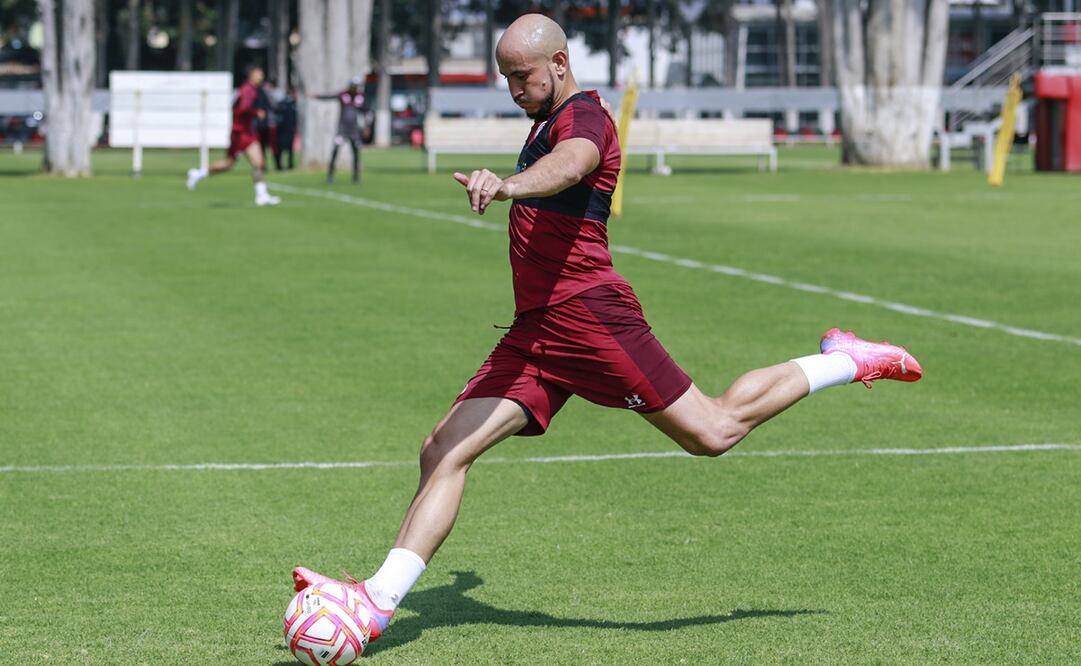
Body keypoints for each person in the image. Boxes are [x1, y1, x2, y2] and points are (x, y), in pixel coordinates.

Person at [292, 13, 923, 647]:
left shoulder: (585, 117)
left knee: (713, 430)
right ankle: (376, 601)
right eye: (506, 77)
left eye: (523, 75)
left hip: (589, 316)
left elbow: (572, 164)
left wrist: (509, 184)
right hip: (537, 329)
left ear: (560, 64)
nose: (514, 89)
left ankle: (846, 359)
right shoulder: (545, 118)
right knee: (442, 450)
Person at [186, 65, 281, 207]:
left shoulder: (249, 89)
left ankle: (261, 195)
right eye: (258, 74)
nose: (261, 76)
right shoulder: (247, 90)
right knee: (241, 164)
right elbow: (243, 108)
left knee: (248, 164)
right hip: (241, 133)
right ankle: (198, 174)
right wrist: (256, 113)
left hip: (246, 132)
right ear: (251, 75)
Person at [314, 77, 366, 184]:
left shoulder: (360, 97)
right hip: (342, 129)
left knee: (356, 152)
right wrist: (317, 96)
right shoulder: (343, 95)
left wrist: (366, 126)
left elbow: (366, 110)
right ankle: (330, 175)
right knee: (335, 151)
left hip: (354, 130)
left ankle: (356, 176)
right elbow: (329, 97)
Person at [275, 86, 298, 171]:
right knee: (280, 148)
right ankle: (279, 166)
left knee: (290, 148)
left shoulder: (294, 104)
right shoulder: (282, 104)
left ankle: (290, 164)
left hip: (290, 129)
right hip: (282, 129)